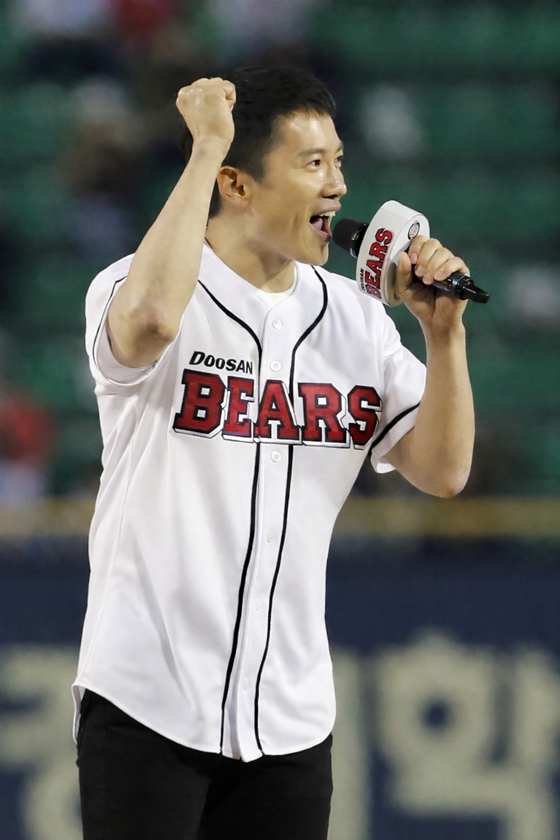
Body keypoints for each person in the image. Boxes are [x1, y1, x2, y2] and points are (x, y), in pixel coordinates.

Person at [74, 65, 474, 840]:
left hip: (290, 718)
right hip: (148, 701)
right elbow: (151, 320)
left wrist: (444, 335)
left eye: (339, 162)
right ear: (237, 184)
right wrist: (206, 145)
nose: (338, 186)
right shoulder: (134, 285)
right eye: (312, 163)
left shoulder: (357, 320)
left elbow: (443, 469)